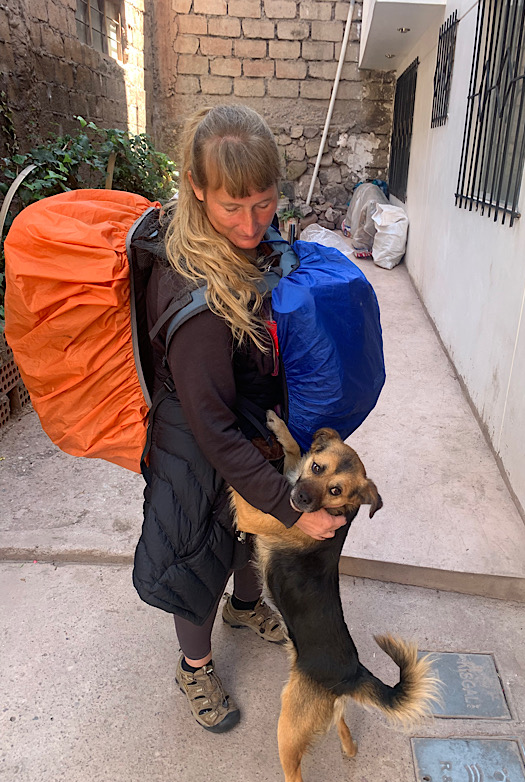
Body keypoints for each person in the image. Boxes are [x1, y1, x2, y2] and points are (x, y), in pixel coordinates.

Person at [132, 105, 346, 733]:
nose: (252, 224)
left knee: (247, 539)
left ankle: (245, 607)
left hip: (250, 418)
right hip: (196, 446)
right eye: (233, 207)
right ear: (197, 190)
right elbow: (213, 430)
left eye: (263, 202)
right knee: (196, 556)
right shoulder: (194, 298)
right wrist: (293, 507)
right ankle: (194, 666)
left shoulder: (249, 244)